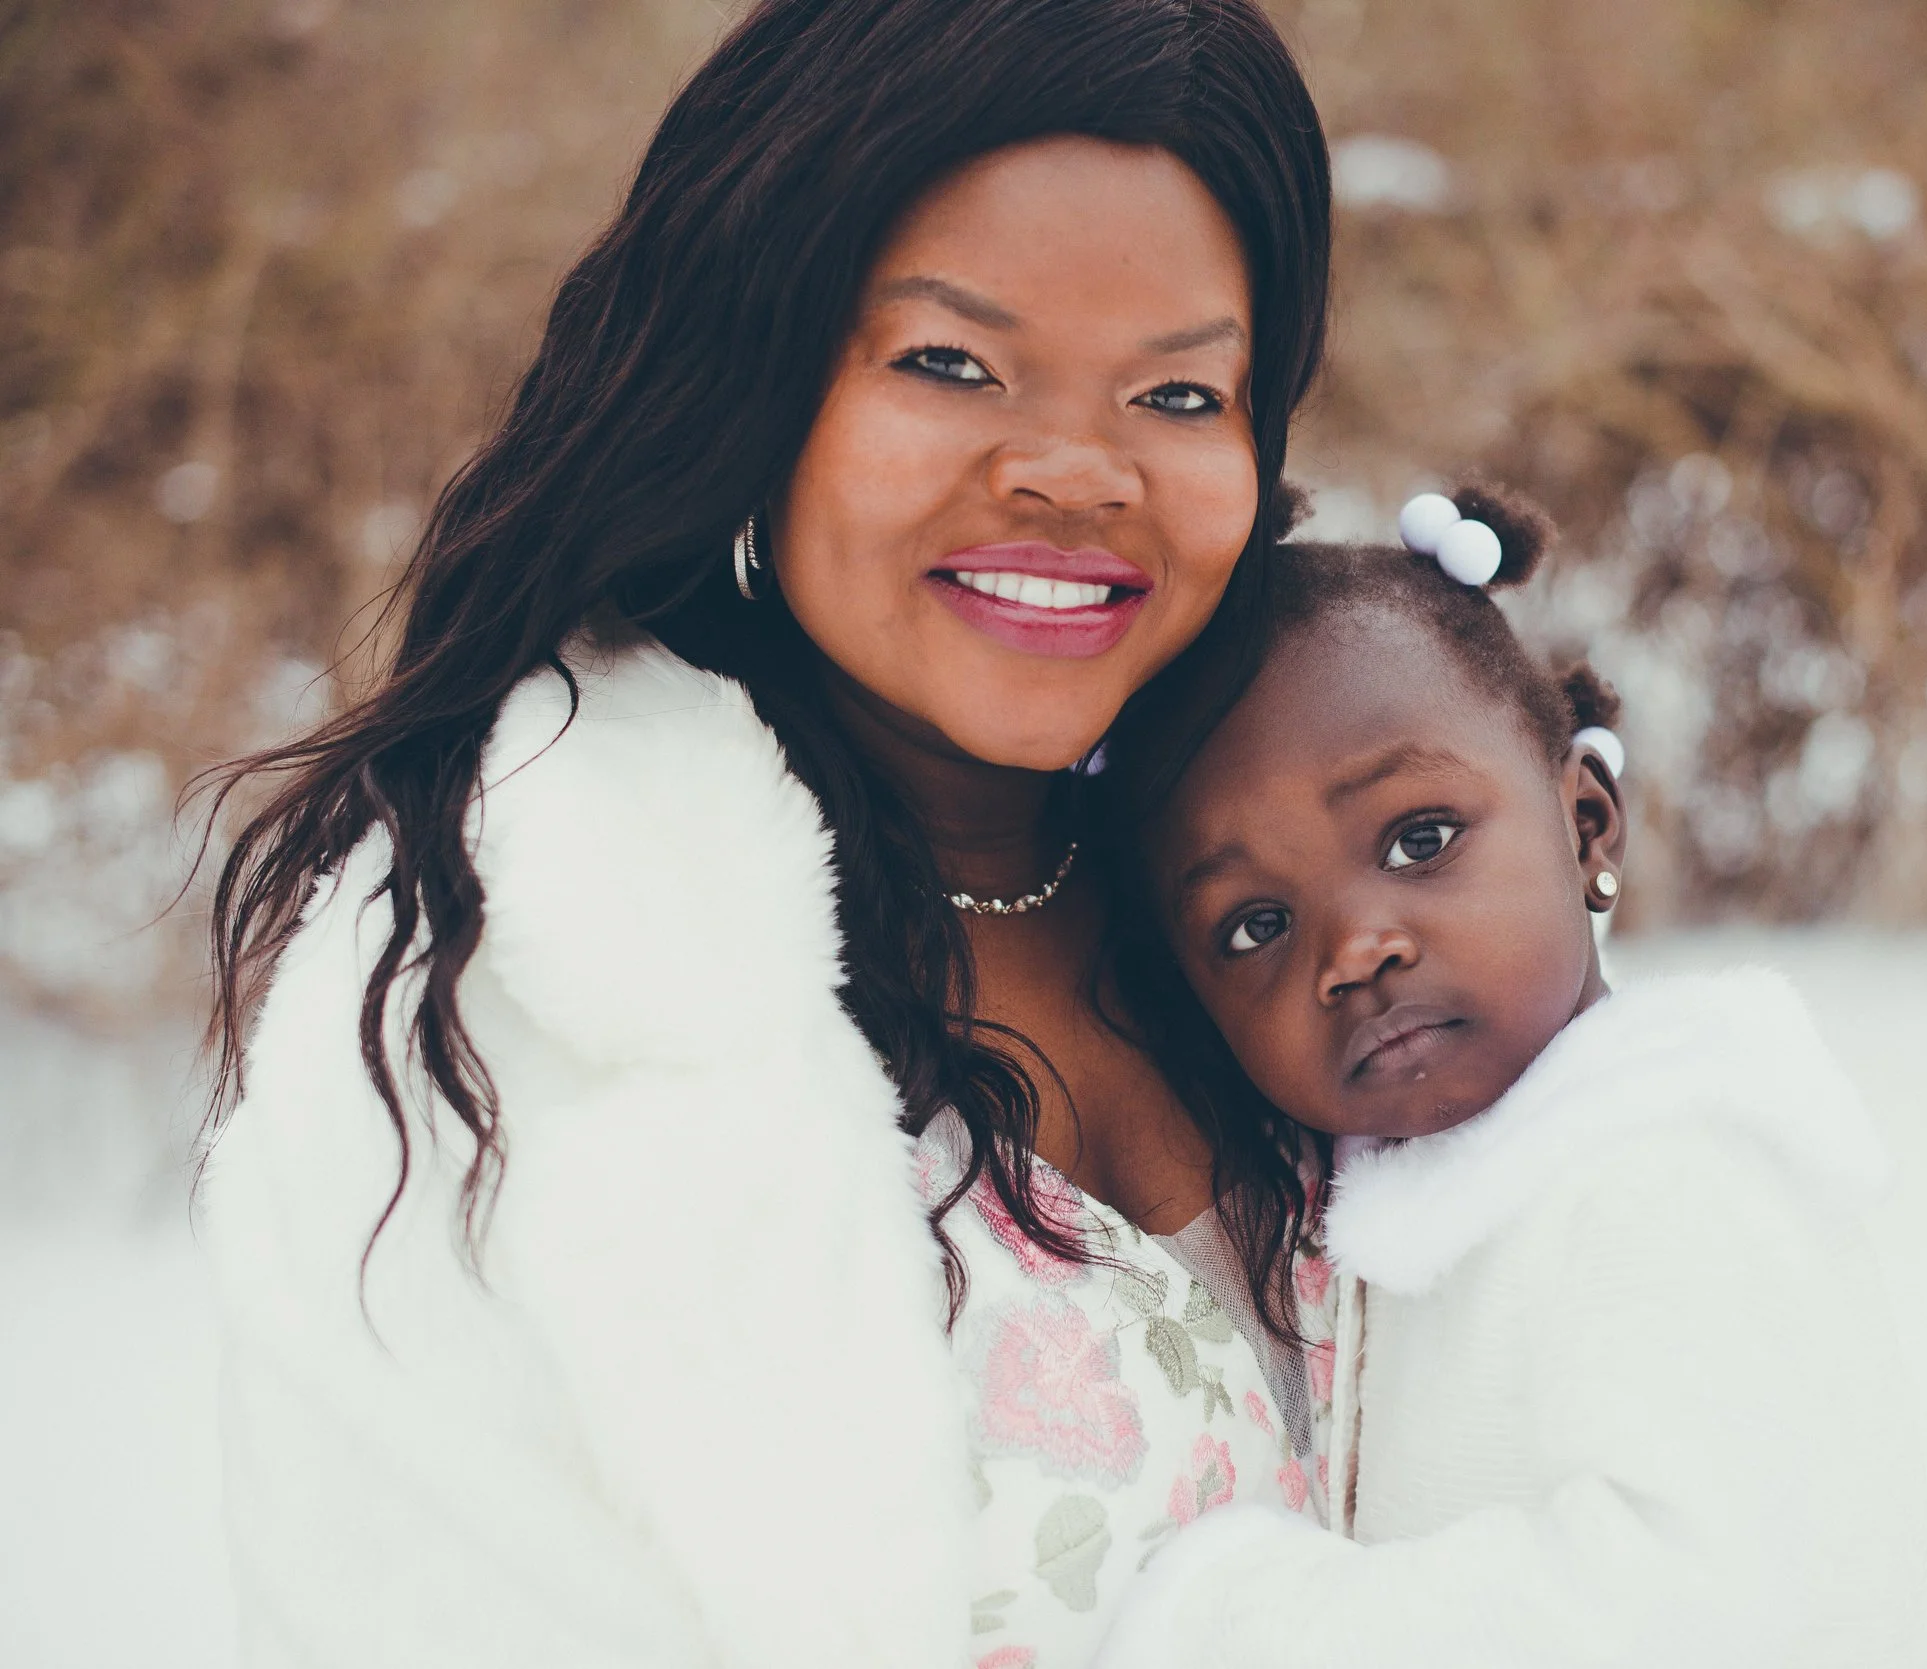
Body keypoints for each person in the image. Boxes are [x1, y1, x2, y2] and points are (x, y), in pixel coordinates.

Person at [194, 2, 1339, 1663]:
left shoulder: (1279, 892)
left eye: (1178, 390)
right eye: (950, 362)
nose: (1079, 473)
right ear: (756, 373)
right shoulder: (502, 975)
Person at [1092, 488, 1927, 1669]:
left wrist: (1247, 1623)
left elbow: (1730, 1599)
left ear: (1587, 825)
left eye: (1418, 838)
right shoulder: (1408, 1191)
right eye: (1254, 923)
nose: (1351, 946)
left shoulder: (1668, 1176)